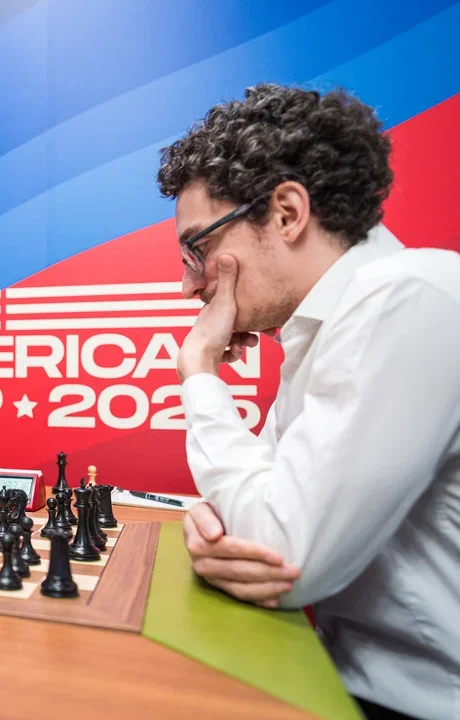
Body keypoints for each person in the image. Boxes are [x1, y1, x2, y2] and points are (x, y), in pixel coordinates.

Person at [157, 84, 460, 720]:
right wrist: (218, 525)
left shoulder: (407, 297)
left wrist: (200, 370)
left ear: (288, 213)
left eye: (197, 248)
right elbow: (249, 509)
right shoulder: (323, 331)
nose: (188, 284)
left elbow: (280, 554)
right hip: (342, 682)